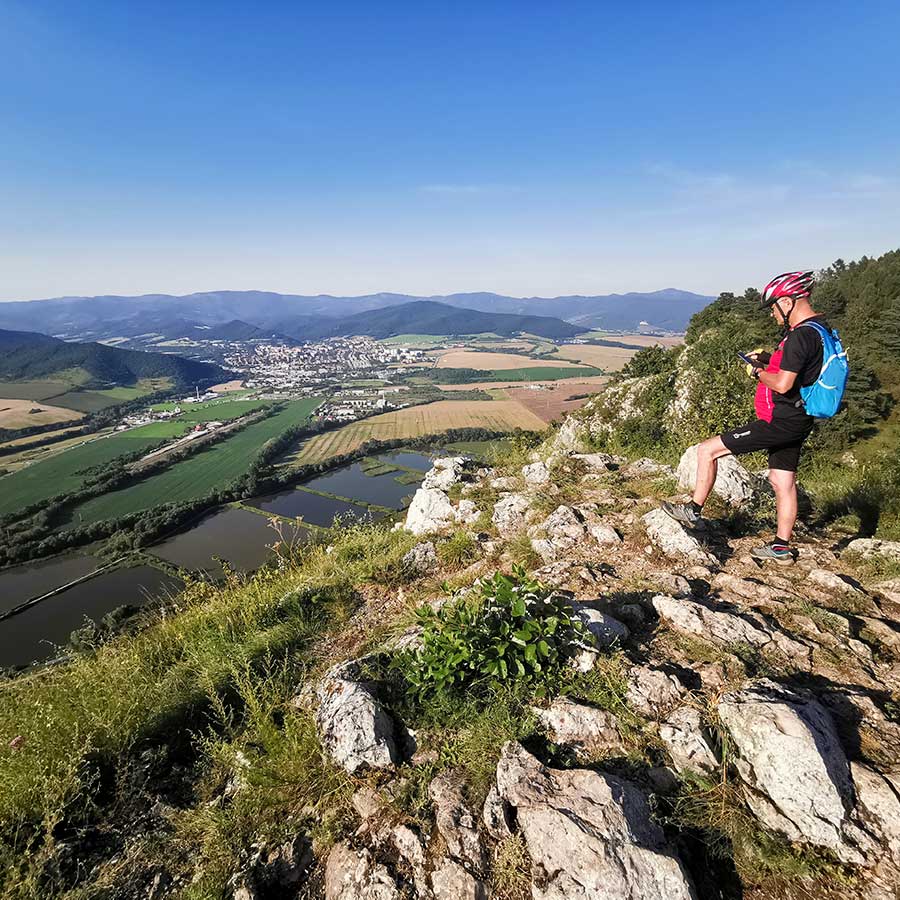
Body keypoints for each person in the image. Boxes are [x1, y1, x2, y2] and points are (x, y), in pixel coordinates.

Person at [662, 270, 829, 561]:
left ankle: (693, 510)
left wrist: (757, 371)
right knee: (782, 480)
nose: (772, 314)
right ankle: (780, 546)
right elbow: (800, 370)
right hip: (800, 419)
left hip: (781, 420)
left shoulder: (800, 336)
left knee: (707, 450)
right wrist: (768, 359)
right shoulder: (818, 329)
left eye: (773, 306)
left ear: (788, 302)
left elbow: (782, 383)